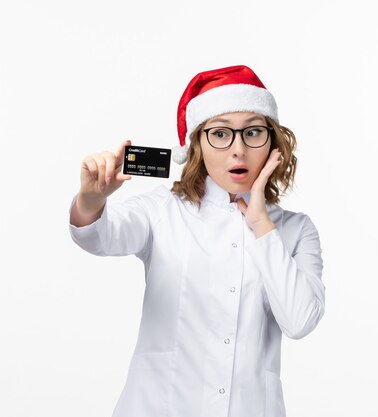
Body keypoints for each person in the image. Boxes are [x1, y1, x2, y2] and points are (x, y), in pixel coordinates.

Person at [68, 65, 325, 417]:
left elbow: (300, 320)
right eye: (220, 134)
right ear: (197, 146)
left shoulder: (296, 230)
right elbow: (98, 236)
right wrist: (91, 197)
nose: (238, 150)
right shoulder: (163, 211)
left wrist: (261, 222)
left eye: (252, 132)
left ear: (274, 145)